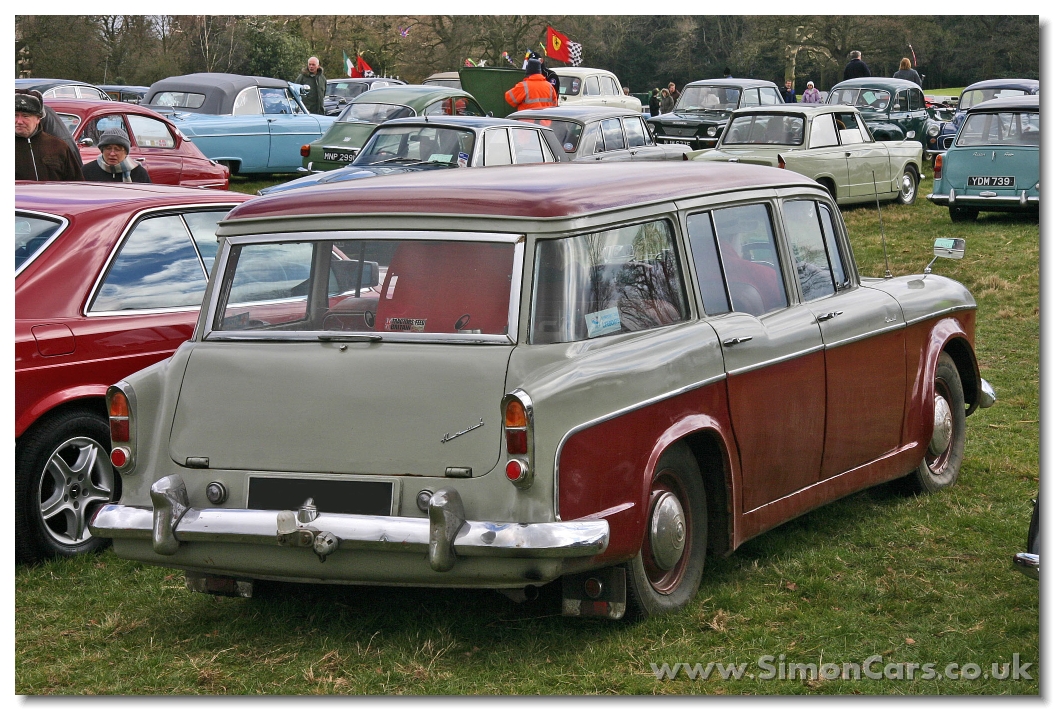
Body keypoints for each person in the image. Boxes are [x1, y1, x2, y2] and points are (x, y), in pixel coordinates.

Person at [15, 89, 83, 181]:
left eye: (25, 116)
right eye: (15, 115)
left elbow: (76, 183)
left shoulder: (58, 147)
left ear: (38, 119)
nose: (19, 121)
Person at [81, 128, 151, 183]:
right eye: (108, 148)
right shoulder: (87, 171)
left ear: (126, 152)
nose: (112, 154)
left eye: (117, 149)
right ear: (102, 150)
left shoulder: (138, 173)